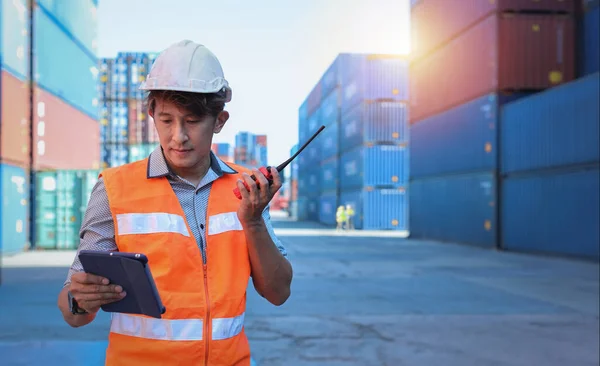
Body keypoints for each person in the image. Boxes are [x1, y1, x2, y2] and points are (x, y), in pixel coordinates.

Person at [56, 40, 293, 366]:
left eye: (192, 121)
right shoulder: (113, 189)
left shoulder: (247, 190)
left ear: (220, 121)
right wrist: (79, 300)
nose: (178, 136)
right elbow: (74, 314)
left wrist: (252, 220)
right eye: (166, 120)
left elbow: (278, 293)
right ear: (152, 113)